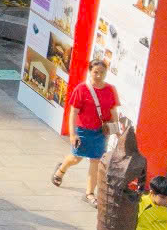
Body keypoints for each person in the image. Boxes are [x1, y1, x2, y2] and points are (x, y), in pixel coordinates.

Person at [50, 58, 121, 204]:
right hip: (83, 131)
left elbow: (113, 110)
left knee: (96, 161)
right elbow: (73, 112)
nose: (99, 76)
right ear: (90, 71)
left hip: (101, 132)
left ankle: (89, 193)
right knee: (76, 158)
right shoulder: (81, 89)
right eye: (96, 72)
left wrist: (117, 130)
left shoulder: (110, 89)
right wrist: (73, 133)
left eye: (102, 73)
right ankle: (61, 169)